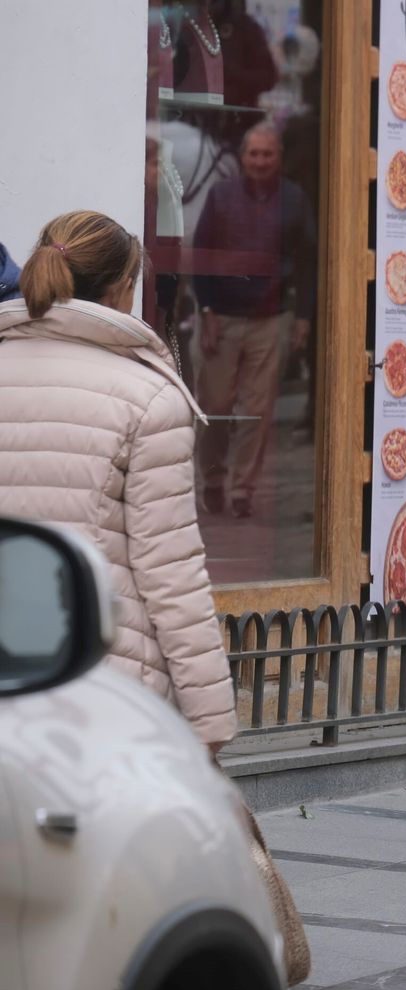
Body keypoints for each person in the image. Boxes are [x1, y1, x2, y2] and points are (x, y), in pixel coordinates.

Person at [0, 211, 236, 752]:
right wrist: (211, 722)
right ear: (121, 289)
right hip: (103, 688)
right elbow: (170, 573)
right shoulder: (149, 398)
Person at [192, 120, 316, 518]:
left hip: (269, 319)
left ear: (279, 158)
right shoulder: (221, 195)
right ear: (242, 157)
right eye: (253, 154)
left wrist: (302, 317)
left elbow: (308, 263)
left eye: (268, 154)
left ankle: (243, 489)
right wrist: (206, 311)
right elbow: (202, 255)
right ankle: (212, 480)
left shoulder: (294, 199)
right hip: (221, 318)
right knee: (214, 406)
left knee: (257, 411)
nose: (260, 161)